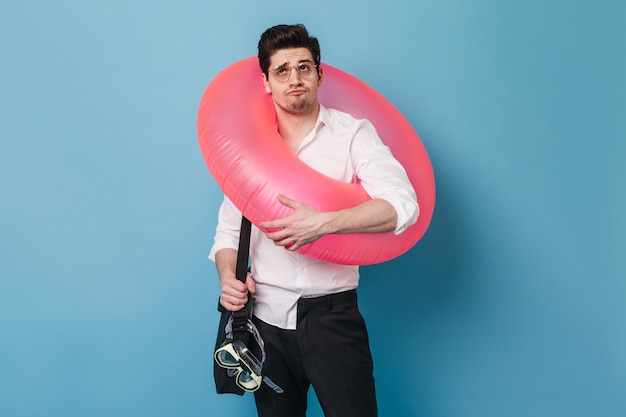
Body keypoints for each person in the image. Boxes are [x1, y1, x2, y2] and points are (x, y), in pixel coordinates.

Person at [209, 24, 419, 417]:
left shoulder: (354, 135)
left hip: (333, 318)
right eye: (282, 70)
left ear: (320, 74)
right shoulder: (248, 146)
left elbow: (403, 205)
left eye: (304, 67)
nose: (295, 79)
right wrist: (227, 277)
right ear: (267, 82)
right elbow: (226, 234)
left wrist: (324, 223)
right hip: (266, 320)